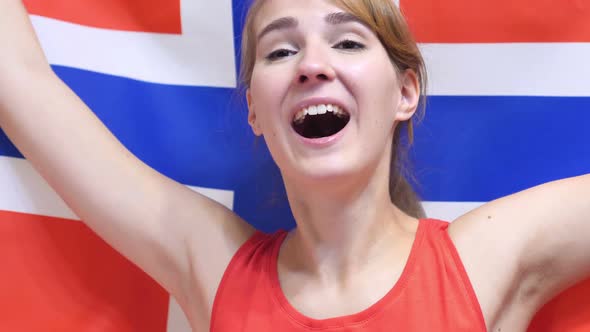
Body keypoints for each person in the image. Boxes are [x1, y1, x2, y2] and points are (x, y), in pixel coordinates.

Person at [0, 0, 588, 331]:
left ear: (406, 92)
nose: (311, 65)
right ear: (254, 108)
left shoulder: (483, 261)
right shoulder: (215, 267)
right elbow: (19, 82)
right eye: (280, 50)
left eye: (349, 42)